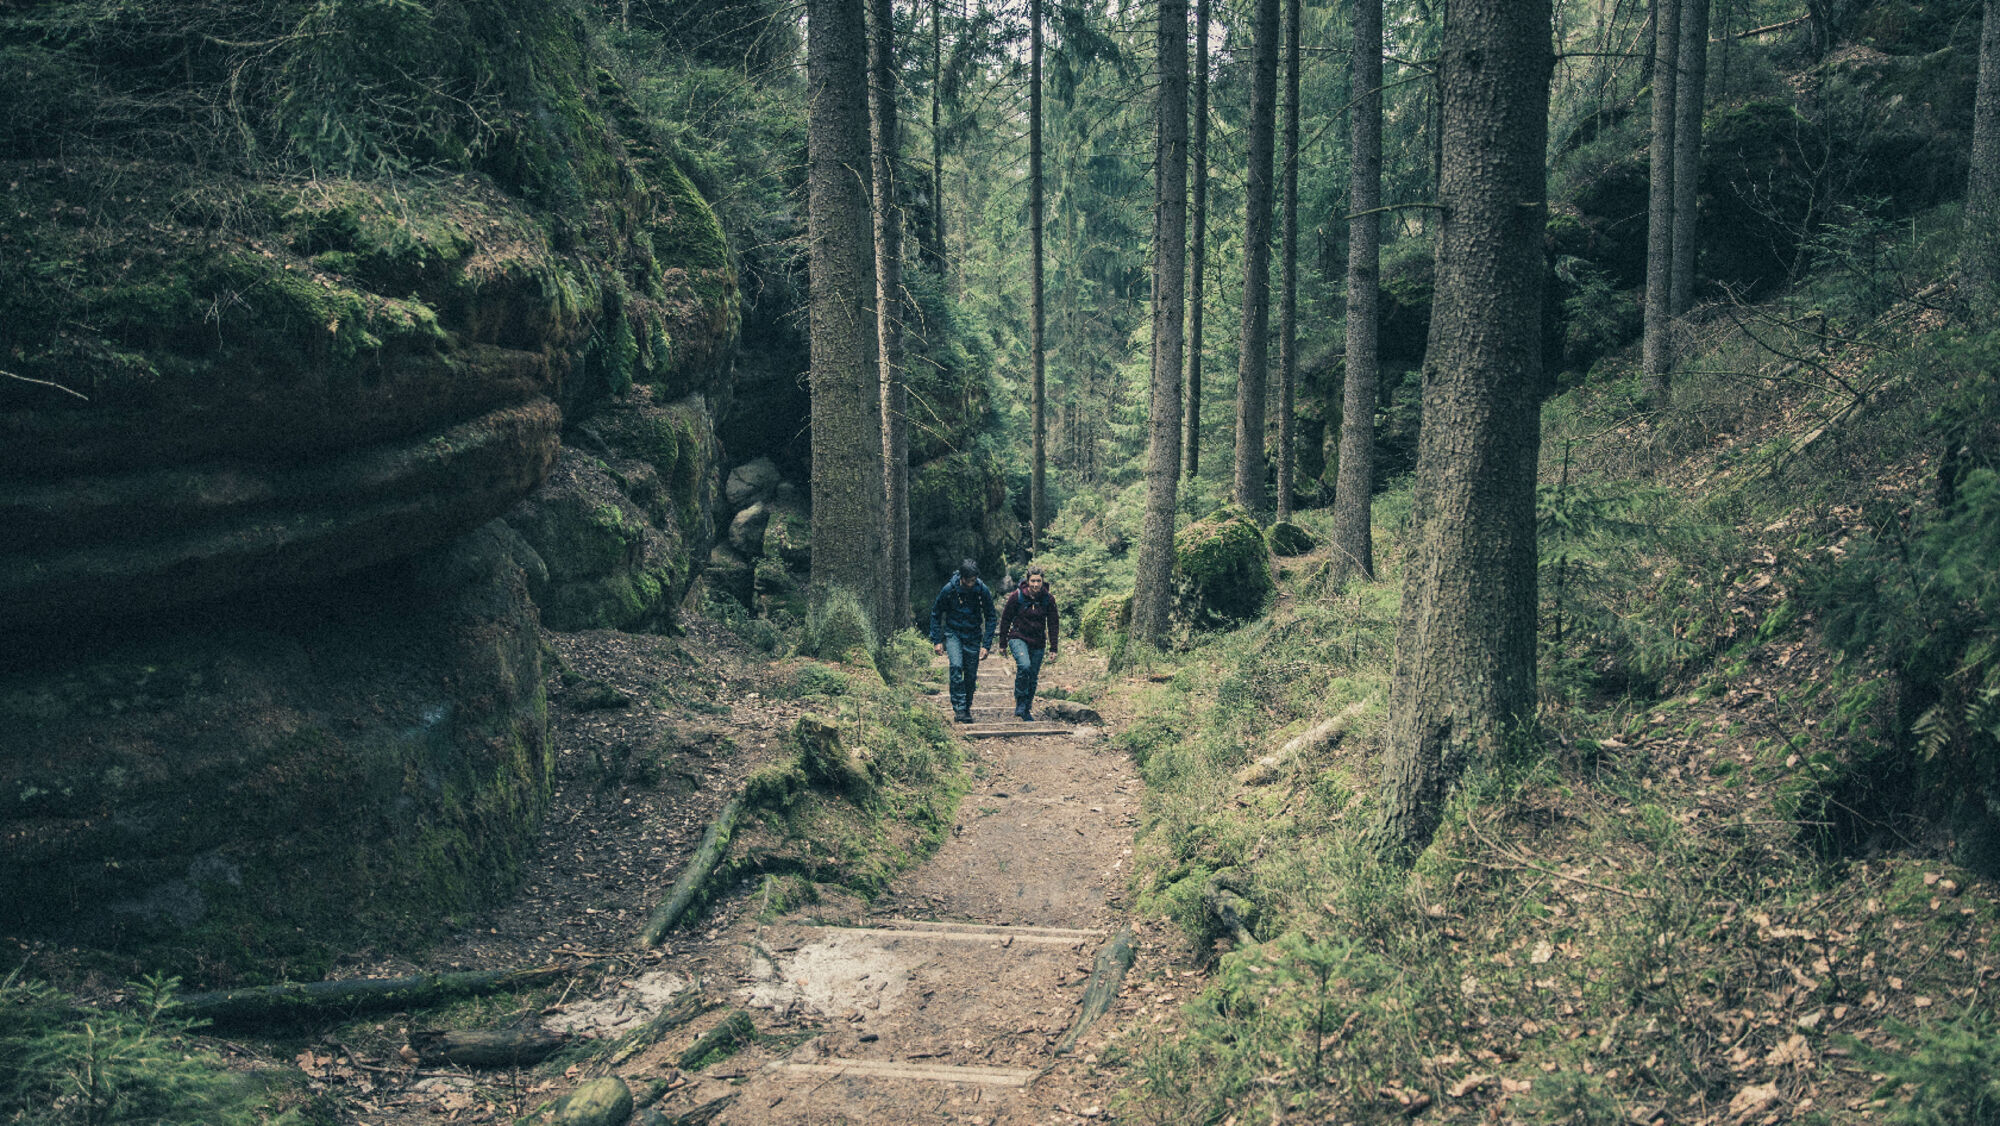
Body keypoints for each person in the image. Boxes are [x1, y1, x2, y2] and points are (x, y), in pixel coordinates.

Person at [930, 559, 996, 723]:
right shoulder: (949, 589)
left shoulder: (982, 590)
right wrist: (937, 640)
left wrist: (986, 645)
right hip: (953, 634)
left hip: (973, 635)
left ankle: (966, 708)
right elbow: (936, 613)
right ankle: (959, 708)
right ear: (962, 577)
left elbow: (991, 616)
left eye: (973, 580)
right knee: (956, 666)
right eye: (968, 580)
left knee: (971, 675)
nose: (971, 583)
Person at [996, 567, 1060, 721]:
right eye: (1033, 581)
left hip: (1038, 640)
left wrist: (1053, 647)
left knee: (1033, 675)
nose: (1036, 584)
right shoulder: (1016, 596)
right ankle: (1020, 701)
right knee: (1024, 666)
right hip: (1018, 636)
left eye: (1039, 581)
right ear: (1027, 581)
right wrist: (1002, 643)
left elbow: (1053, 623)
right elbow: (1005, 619)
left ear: (1042, 582)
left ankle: (1026, 707)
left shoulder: (1048, 599)